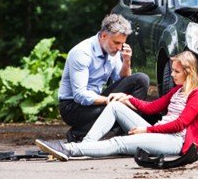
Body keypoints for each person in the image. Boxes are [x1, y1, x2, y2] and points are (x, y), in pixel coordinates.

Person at [36, 51, 198, 161]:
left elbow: (180, 125)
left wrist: (146, 131)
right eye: (172, 70)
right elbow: (152, 108)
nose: (172, 74)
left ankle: (68, 149)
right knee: (115, 106)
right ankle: (87, 147)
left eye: (176, 71)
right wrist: (126, 98)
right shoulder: (178, 90)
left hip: (176, 141)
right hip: (159, 132)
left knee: (120, 142)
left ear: (189, 72)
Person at [58, 14, 150, 142]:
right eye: (116, 43)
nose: (119, 48)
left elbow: (123, 80)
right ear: (104, 36)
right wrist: (109, 101)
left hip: (97, 100)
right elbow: (80, 95)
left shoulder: (113, 50)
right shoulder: (82, 53)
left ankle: (126, 134)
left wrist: (127, 61)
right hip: (73, 107)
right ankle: (78, 133)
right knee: (118, 106)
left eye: (122, 44)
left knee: (140, 79)